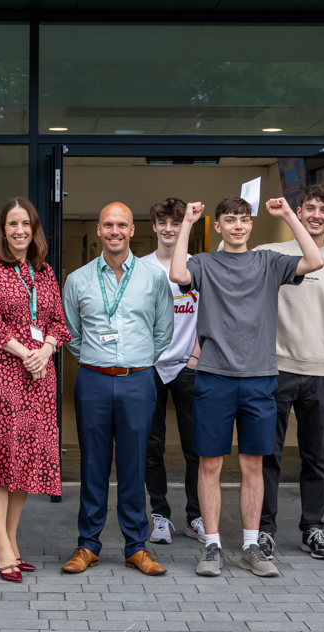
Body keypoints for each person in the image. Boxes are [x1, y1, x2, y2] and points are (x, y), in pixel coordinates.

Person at [170, 196, 324, 578]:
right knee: (210, 464)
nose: (238, 226)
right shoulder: (204, 262)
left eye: (243, 220)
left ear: (250, 225)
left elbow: (315, 260)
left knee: (254, 464)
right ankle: (212, 547)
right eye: (229, 220)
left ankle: (252, 546)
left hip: (259, 378)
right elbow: (177, 273)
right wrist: (189, 220)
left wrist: (289, 214)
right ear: (218, 226)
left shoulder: (269, 262)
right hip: (214, 376)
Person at [61, 202, 173, 577]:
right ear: (98, 230)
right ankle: (88, 545)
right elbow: (72, 335)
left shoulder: (153, 278)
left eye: (121, 225)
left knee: (133, 464)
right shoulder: (78, 279)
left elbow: (163, 330)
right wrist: (96, 360)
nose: (114, 231)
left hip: (138, 380)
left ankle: (136, 547)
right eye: (108, 224)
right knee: (92, 464)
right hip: (92, 378)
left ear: (131, 230)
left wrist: (138, 361)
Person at [0, 198, 69, 583]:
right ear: (2, 230)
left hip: (37, 379)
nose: (19, 230)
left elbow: (58, 319)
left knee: (22, 459)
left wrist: (47, 349)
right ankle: (2, 544)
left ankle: (9, 539)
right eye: (12, 224)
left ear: (34, 228)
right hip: (0, 375)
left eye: (25, 223)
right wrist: (27, 353)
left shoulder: (44, 271)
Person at [255, 184, 324, 561]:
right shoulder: (270, 253)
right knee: (268, 454)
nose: (316, 214)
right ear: (299, 212)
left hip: (320, 373)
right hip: (274, 368)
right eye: (310, 208)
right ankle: (264, 530)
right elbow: (227, 257)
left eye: (323, 210)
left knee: (316, 456)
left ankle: (313, 528)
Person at [140, 198, 204, 545]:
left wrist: (196, 356)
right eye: (162, 222)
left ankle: (195, 515)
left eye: (176, 223)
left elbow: (211, 316)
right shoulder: (140, 267)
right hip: (150, 367)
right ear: (153, 226)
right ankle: (160, 516)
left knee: (196, 447)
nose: (168, 228)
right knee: (153, 447)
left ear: (184, 227)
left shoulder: (199, 266)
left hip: (189, 367)